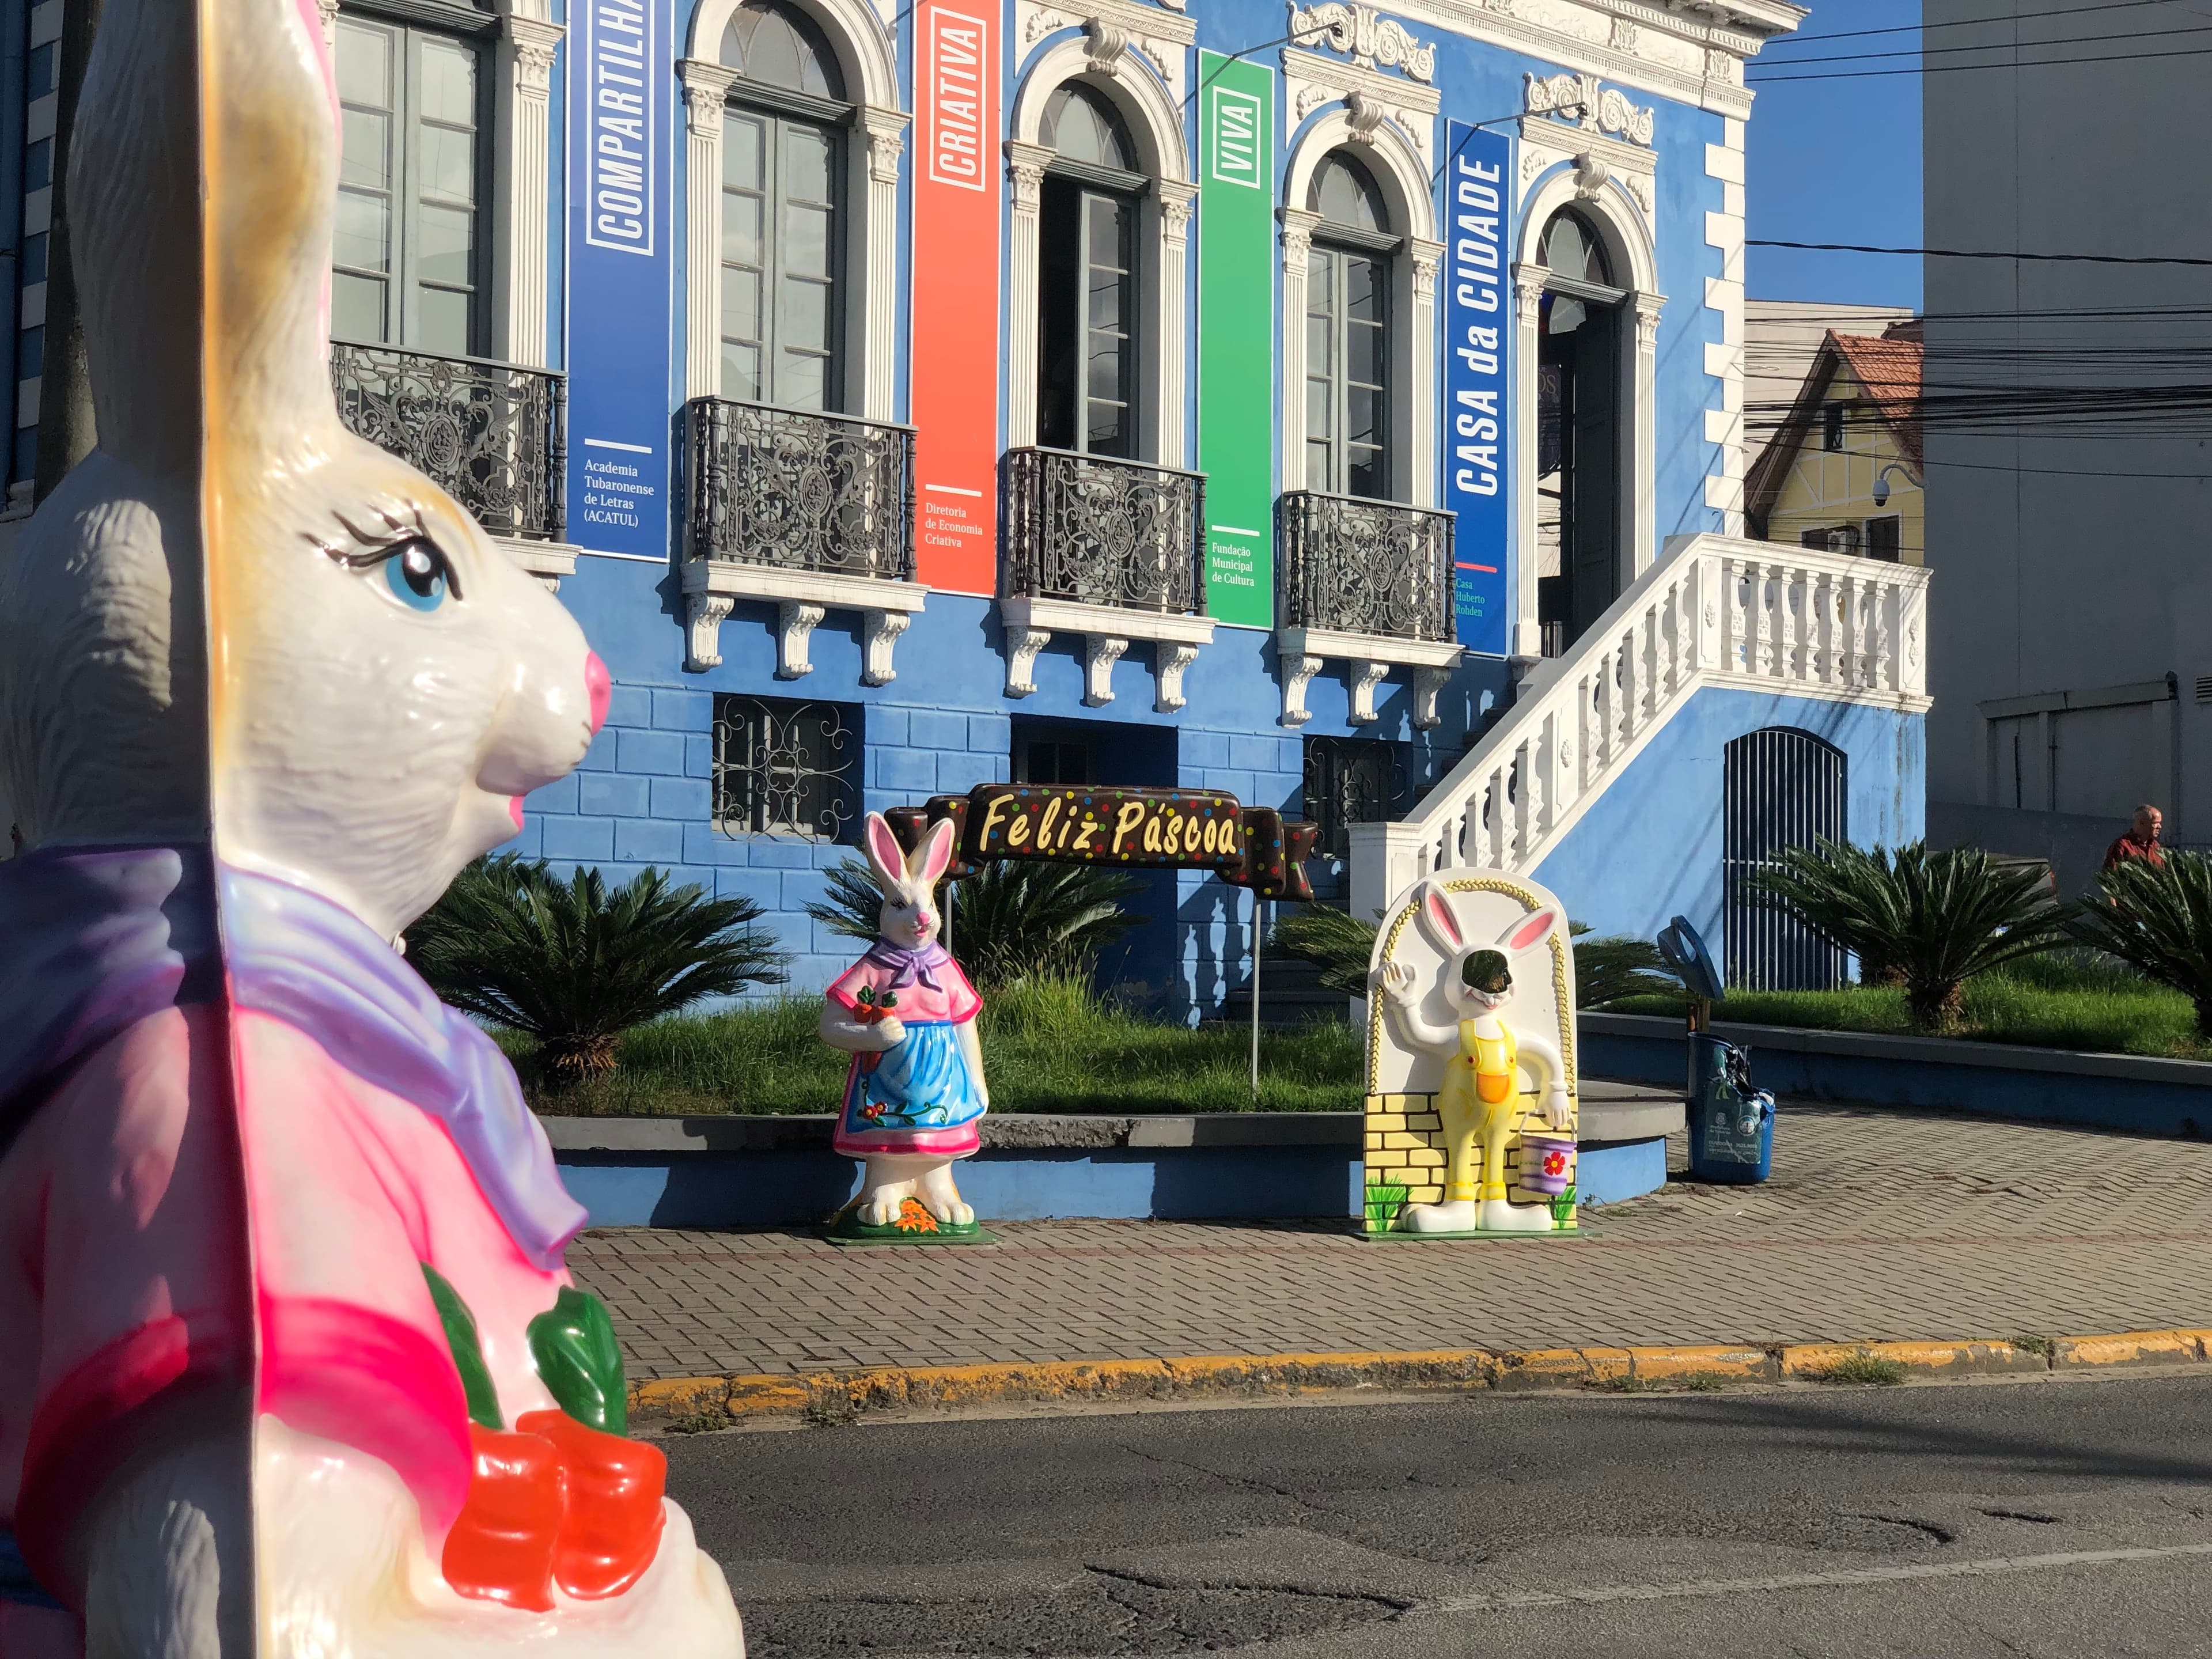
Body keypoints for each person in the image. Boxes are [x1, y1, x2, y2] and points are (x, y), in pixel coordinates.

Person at [2103, 804, 2165, 873]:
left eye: (2160, 823)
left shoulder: (2156, 847)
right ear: (2142, 823)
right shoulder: (2122, 846)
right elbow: (2110, 877)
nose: (2160, 827)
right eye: (2155, 823)